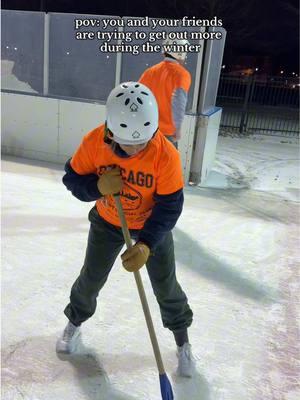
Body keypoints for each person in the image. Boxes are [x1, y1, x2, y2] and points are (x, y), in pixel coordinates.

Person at [56, 81, 194, 377]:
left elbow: (170, 206)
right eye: (128, 143)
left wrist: (146, 244)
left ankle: (182, 341)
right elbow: (72, 180)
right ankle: (75, 323)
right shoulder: (95, 141)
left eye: (142, 142)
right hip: (108, 221)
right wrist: (97, 187)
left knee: (165, 285)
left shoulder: (165, 154)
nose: (135, 149)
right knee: (91, 278)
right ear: (111, 130)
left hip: (149, 226)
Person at [139, 36, 191, 148]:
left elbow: (138, 97)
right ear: (181, 54)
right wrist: (178, 128)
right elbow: (178, 102)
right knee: (168, 164)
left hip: (147, 130)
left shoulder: (149, 72)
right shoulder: (182, 74)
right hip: (167, 133)